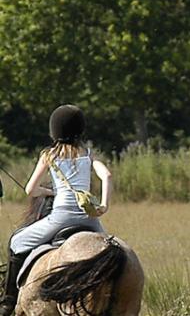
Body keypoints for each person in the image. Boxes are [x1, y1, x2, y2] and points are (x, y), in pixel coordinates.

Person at [1, 105, 110, 315]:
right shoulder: (88, 155)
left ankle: (8, 302)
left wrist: (50, 193)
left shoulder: (49, 155)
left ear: (54, 131)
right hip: (90, 221)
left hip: (60, 219)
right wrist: (103, 205)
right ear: (81, 130)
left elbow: (30, 190)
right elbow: (107, 176)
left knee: (16, 242)